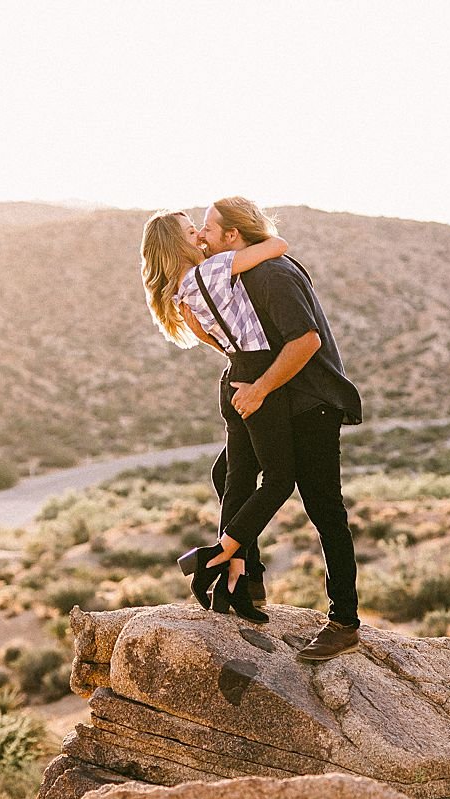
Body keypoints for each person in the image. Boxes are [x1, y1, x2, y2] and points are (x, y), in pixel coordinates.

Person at [198, 197, 364, 662]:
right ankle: (249, 582)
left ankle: (344, 622)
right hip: (280, 402)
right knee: (226, 474)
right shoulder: (242, 274)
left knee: (324, 507)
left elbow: (305, 342)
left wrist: (258, 390)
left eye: (208, 228)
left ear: (232, 235)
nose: (202, 235)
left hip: (312, 402)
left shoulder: (272, 275)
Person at [139, 207, 292, 624]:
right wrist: (233, 240)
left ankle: (237, 581)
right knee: (279, 478)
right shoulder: (215, 269)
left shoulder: (182, 289)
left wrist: (239, 361)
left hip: (234, 373)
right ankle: (218, 557)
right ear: (180, 244)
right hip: (254, 373)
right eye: (194, 233)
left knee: (236, 478)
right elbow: (277, 246)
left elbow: (212, 339)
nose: (202, 237)